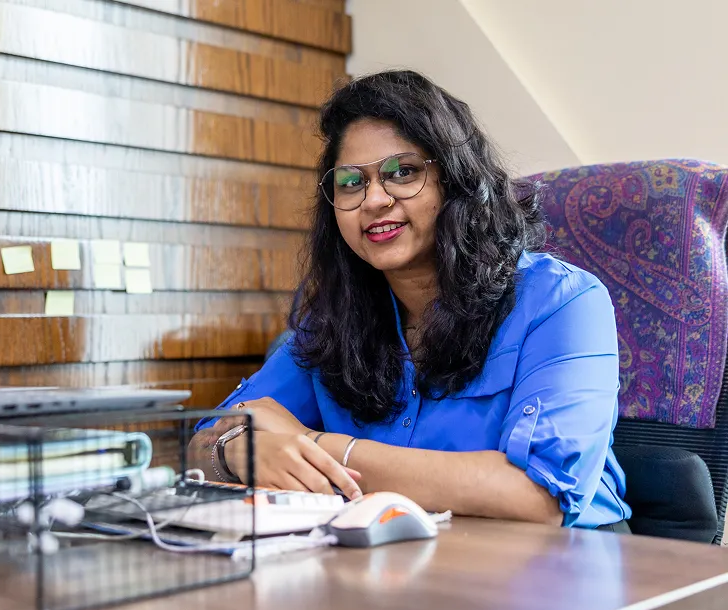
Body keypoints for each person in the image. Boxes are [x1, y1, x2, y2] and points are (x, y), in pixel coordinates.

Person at [190, 69, 631, 530]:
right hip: (394, 563)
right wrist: (238, 450)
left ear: (454, 181)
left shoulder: (563, 303)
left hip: (561, 568)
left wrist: (311, 443)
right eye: (350, 182)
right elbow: (203, 442)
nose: (373, 200)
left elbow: (541, 496)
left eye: (403, 172)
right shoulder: (334, 319)